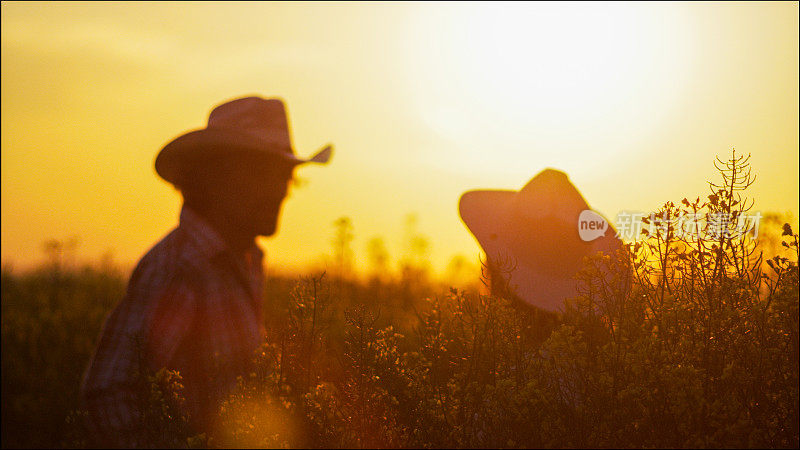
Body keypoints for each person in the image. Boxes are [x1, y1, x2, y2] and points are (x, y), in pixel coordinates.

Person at [79, 96, 332, 447]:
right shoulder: (182, 267)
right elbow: (106, 394)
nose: (279, 192)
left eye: (284, 176)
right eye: (263, 174)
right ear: (215, 177)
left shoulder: (243, 261)